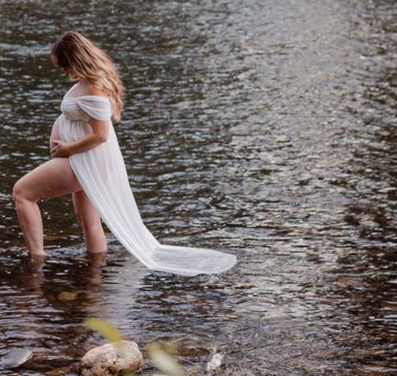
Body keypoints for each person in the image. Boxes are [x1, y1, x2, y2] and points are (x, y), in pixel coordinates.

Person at [12, 31, 236, 276]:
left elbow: (100, 135)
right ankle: (95, 277)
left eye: (63, 64)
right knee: (88, 219)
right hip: (81, 159)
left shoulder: (95, 88)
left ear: (76, 59)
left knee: (23, 193)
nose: (63, 70)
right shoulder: (87, 83)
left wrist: (66, 148)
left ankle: (37, 258)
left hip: (83, 160)